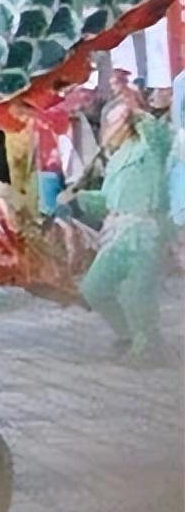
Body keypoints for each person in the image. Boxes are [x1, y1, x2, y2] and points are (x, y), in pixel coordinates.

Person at [63, 109, 174, 364]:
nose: (105, 130)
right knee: (94, 288)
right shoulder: (116, 158)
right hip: (117, 232)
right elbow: (110, 200)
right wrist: (78, 199)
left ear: (126, 125)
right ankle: (129, 334)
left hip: (146, 231)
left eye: (110, 124)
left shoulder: (149, 150)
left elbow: (158, 136)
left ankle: (148, 346)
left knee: (137, 292)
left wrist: (135, 111)